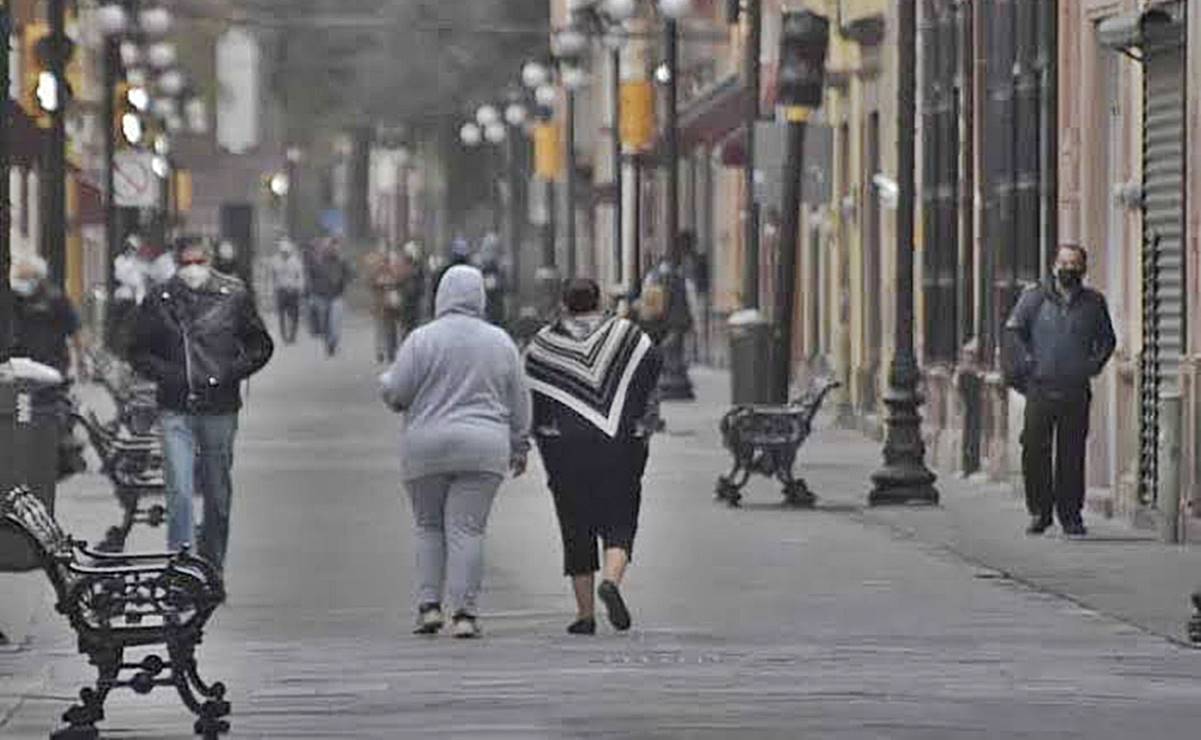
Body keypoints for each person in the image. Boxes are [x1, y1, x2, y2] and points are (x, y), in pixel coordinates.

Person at [379, 265, 530, 639]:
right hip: (484, 446)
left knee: (429, 527)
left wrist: (386, 384)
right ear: (480, 296)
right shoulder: (500, 342)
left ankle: (429, 606)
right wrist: (520, 443)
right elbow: (519, 398)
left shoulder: (421, 340)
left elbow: (397, 392)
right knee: (468, 529)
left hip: (426, 446)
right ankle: (465, 613)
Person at [524, 278, 662, 635]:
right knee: (619, 520)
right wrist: (643, 429)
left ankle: (585, 615)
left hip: (566, 453)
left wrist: (537, 437)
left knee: (575, 528)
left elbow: (532, 398)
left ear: (564, 303)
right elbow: (651, 378)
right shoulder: (628, 336)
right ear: (599, 301)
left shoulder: (543, 344)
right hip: (620, 447)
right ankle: (611, 581)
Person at [130, 238, 274, 572]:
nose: (192, 269)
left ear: (209, 261)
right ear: (176, 262)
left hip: (219, 407)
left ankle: (212, 564)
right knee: (179, 491)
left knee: (217, 492)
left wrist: (229, 372)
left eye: (199, 261)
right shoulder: (160, 298)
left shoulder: (233, 295)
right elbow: (137, 350)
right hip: (175, 406)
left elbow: (260, 345)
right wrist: (170, 375)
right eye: (186, 262)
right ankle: (182, 566)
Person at [1003, 244, 1116, 538]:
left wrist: (1091, 366)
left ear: (1083, 269)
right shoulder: (1034, 298)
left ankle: (1070, 515)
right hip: (1040, 387)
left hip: (1075, 389)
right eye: (1064, 263)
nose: (1069, 269)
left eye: (1074, 264)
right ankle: (1040, 512)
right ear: (1054, 266)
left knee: (1072, 453)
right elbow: (1014, 332)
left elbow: (1107, 340)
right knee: (1034, 450)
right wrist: (1027, 363)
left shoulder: (1094, 302)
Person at [10, 254, 84, 379]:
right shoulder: (15, 300)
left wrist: (81, 360)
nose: (20, 283)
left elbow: (75, 331)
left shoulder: (56, 300)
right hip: (20, 365)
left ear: (39, 278)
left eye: (25, 278)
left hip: (51, 364)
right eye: (19, 278)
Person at [365, 242, 411, 363]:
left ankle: (392, 351)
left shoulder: (398, 268)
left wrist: (393, 282)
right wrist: (380, 282)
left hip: (395, 303)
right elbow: (370, 282)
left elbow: (404, 279)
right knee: (383, 328)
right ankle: (383, 351)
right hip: (381, 305)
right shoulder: (377, 269)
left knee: (393, 328)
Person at [308, 237, 354, 356]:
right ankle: (328, 342)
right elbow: (311, 277)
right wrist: (312, 293)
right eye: (329, 247)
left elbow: (350, 274)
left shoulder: (342, 261)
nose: (332, 249)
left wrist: (345, 279)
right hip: (321, 296)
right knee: (324, 323)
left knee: (335, 322)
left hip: (336, 296)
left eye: (334, 247)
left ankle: (333, 341)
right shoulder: (319, 261)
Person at [268, 239, 306, 344]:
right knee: (282, 315)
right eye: (283, 252)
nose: (284, 254)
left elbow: (300, 276)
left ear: (290, 251)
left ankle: (292, 335)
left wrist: (300, 288)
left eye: (286, 252)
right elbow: (272, 277)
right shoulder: (275, 261)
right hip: (281, 290)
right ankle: (284, 335)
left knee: (294, 314)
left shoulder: (296, 261)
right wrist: (272, 291)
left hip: (293, 290)